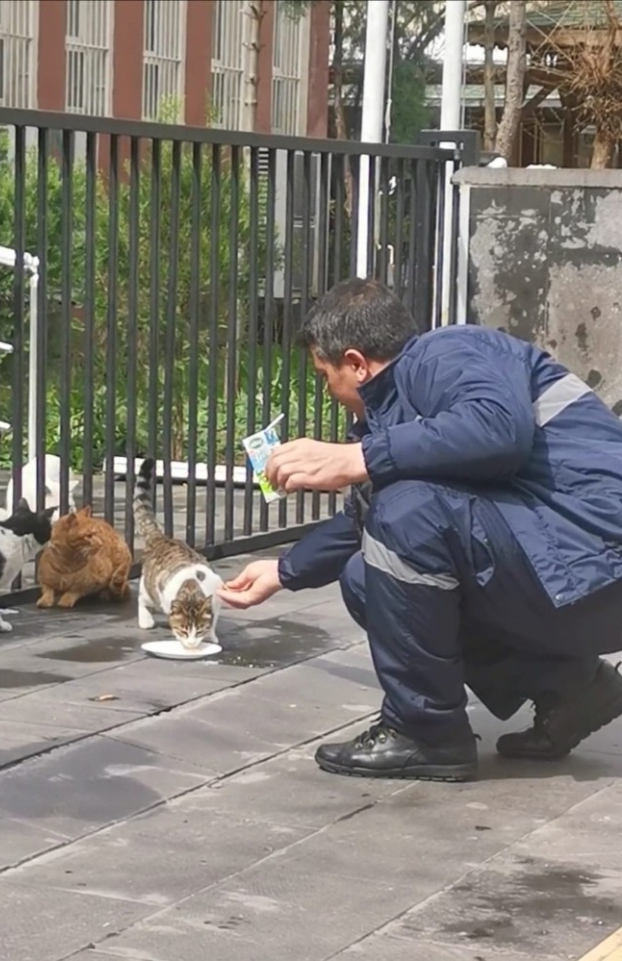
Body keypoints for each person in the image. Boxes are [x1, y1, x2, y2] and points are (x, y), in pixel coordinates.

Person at [217, 277, 622, 782]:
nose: (330, 392)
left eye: (326, 375)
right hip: (568, 573)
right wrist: (283, 570)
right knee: (368, 576)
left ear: (357, 363)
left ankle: (425, 733)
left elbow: (498, 430)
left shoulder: (447, 352)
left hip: (598, 560)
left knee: (407, 514)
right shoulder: (402, 413)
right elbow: (374, 520)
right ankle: (576, 690)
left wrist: (359, 456)